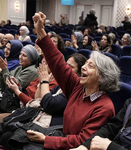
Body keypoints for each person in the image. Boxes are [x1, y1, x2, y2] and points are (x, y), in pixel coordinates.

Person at [27, 12, 120, 150]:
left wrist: (46, 140)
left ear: (102, 76)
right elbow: (58, 64)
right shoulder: (78, 87)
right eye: (85, 63)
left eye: (90, 66)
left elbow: (83, 141)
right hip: (62, 137)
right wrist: (41, 30)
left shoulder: (104, 108)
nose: (83, 67)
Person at [0, 44, 39, 113]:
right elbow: (3, 85)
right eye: (20, 54)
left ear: (31, 58)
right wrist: (2, 70)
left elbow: (12, 86)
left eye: (24, 56)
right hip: (7, 96)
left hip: (14, 102)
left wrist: (4, 70)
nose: (20, 57)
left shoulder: (32, 71)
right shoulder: (19, 68)